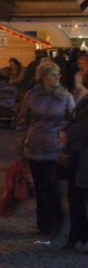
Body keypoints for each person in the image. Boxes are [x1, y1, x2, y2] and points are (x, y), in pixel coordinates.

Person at [16, 61, 74, 238]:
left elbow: (73, 120)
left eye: (57, 75)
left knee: (53, 186)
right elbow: (23, 119)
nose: (57, 79)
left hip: (55, 148)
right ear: (43, 78)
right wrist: (20, 143)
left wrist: (67, 142)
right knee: (40, 187)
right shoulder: (32, 95)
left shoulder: (65, 97)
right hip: (35, 146)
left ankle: (57, 221)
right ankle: (44, 223)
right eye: (53, 75)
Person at [64, 84, 88, 250]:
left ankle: (79, 234)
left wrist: (68, 135)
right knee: (75, 197)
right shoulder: (84, 100)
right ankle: (77, 233)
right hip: (79, 157)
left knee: (79, 197)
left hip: (83, 155)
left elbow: (81, 127)